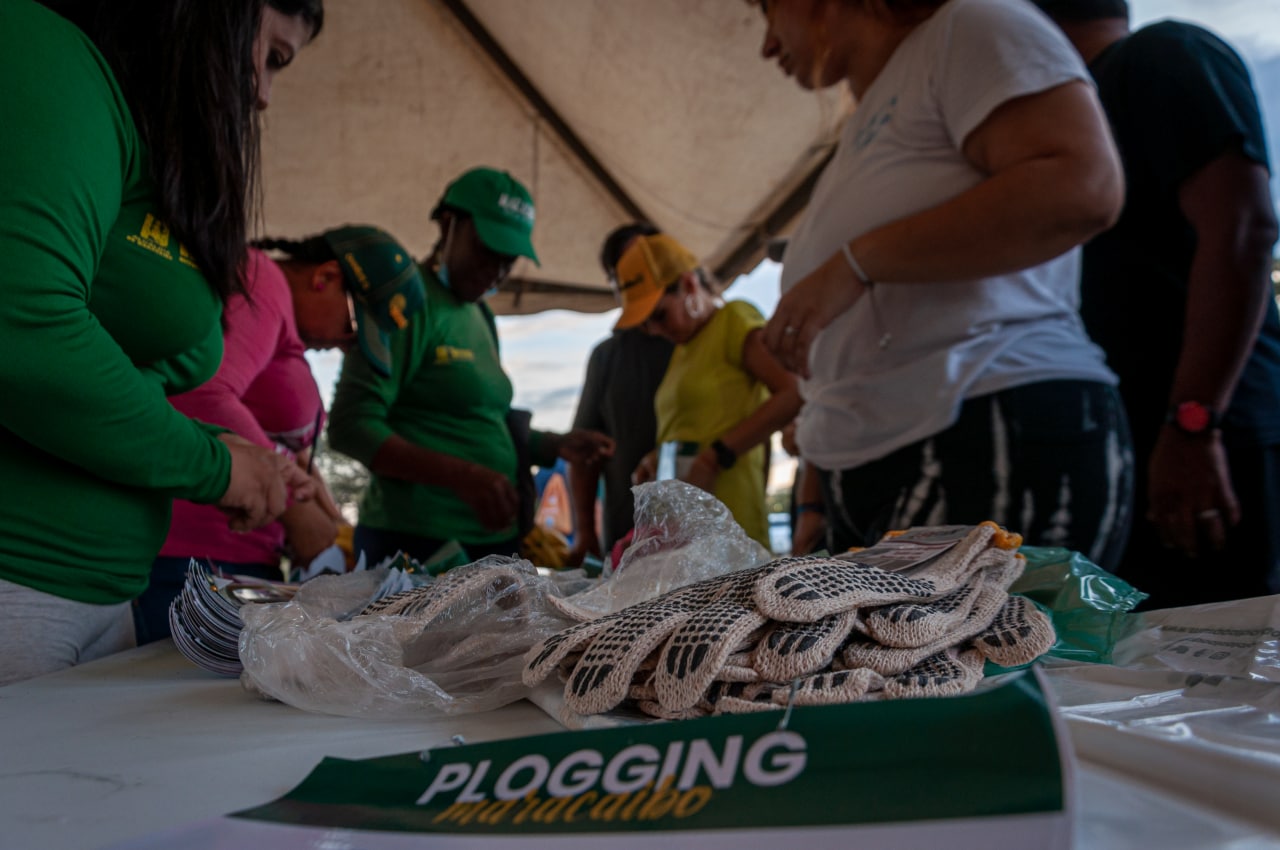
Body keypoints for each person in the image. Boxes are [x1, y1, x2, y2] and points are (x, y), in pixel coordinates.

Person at [0, 0, 315, 686]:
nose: (263, 94)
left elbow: (129, 377)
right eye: (273, 56)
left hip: (103, 598)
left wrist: (235, 453)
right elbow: (23, 329)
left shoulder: (138, 148)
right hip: (18, 586)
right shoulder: (42, 46)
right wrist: (215, 465)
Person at [754, 0, 1133, 567]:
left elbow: (1082, 184)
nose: (766, 44)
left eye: (764, 9)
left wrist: (854, 264)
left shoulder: (970, 23)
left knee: (978, 660)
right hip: (883, 461)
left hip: (984, 427)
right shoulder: (872, 110)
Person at [1034, 0, 1280, 607]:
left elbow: (1244, 228)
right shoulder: (1070, 126)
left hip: (1211, 448)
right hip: (1142, 450)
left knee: (1235, 663)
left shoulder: (1162, 54)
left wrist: (1194, 425)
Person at [136, 226, 427, 643]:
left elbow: (269, 435)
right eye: (352, 325)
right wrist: (295, 509)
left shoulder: (280, 323)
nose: (347, 345)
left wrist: (321, 508)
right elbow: (205, 392)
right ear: (324, 277)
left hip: (236, 563)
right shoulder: (262, 280)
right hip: (196, 563)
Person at [327, 167, 615, 567]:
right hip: (417, 543)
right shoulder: (406, 303)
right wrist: (464, 477)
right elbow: (350, 425)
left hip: (489, 542)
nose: (497, 270)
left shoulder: (480, 314)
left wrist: (552, 445)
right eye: (487, 251)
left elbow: (479, 418)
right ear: (449, 225)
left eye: (508, 259)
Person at [612, 233, 802, 550]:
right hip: (684, 528)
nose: (656, 331)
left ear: (689, 285)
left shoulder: (734, 319)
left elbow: (792, 392)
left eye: (659, 315)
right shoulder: (682, 350)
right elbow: (693, 427)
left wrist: (716, 457)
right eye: (645, 325)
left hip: (729, 521)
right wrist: (659, 458)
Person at [566, 224, 675, 566]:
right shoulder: (607, 356)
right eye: (628, 269)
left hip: (708, 533)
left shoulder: (704, 342)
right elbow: (585, 453)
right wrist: (585, 531)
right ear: (616, 283)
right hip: (628, 541)